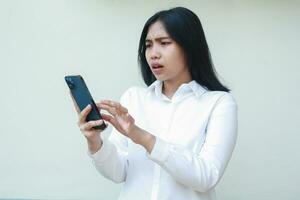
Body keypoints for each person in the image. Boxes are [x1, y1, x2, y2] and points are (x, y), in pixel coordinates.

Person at [72, 7, 237, 200]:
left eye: (164, 43)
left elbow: (206, 176)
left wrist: (142, 137)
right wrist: (95, 141)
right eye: (148, 45)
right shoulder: (134, 98)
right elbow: (118, 172)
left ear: (190, 47)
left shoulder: (218, 103)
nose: (153, 54)